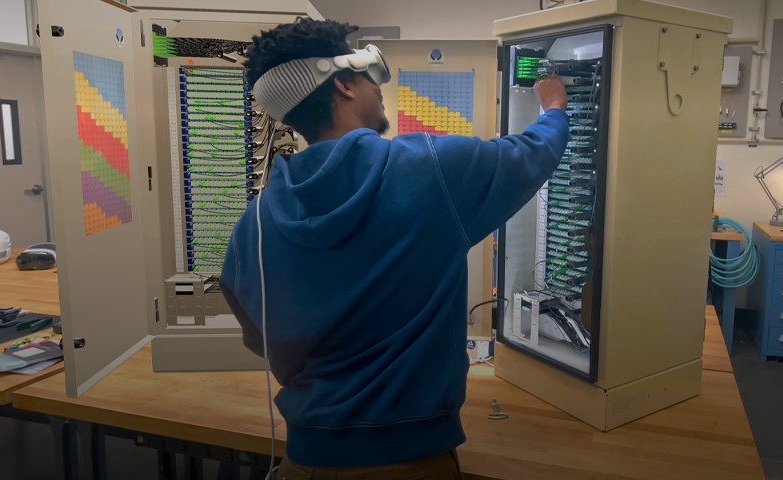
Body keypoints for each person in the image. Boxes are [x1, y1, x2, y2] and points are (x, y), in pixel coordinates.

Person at [221, 17, 569, 480]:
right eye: (371, 76)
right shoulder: (433, 169)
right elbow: (533, 153)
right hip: (413, 463)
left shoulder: (255, 223)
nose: (380, 88)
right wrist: (555, 106)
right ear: (343, 84)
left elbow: (262, 341)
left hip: (303, 462)